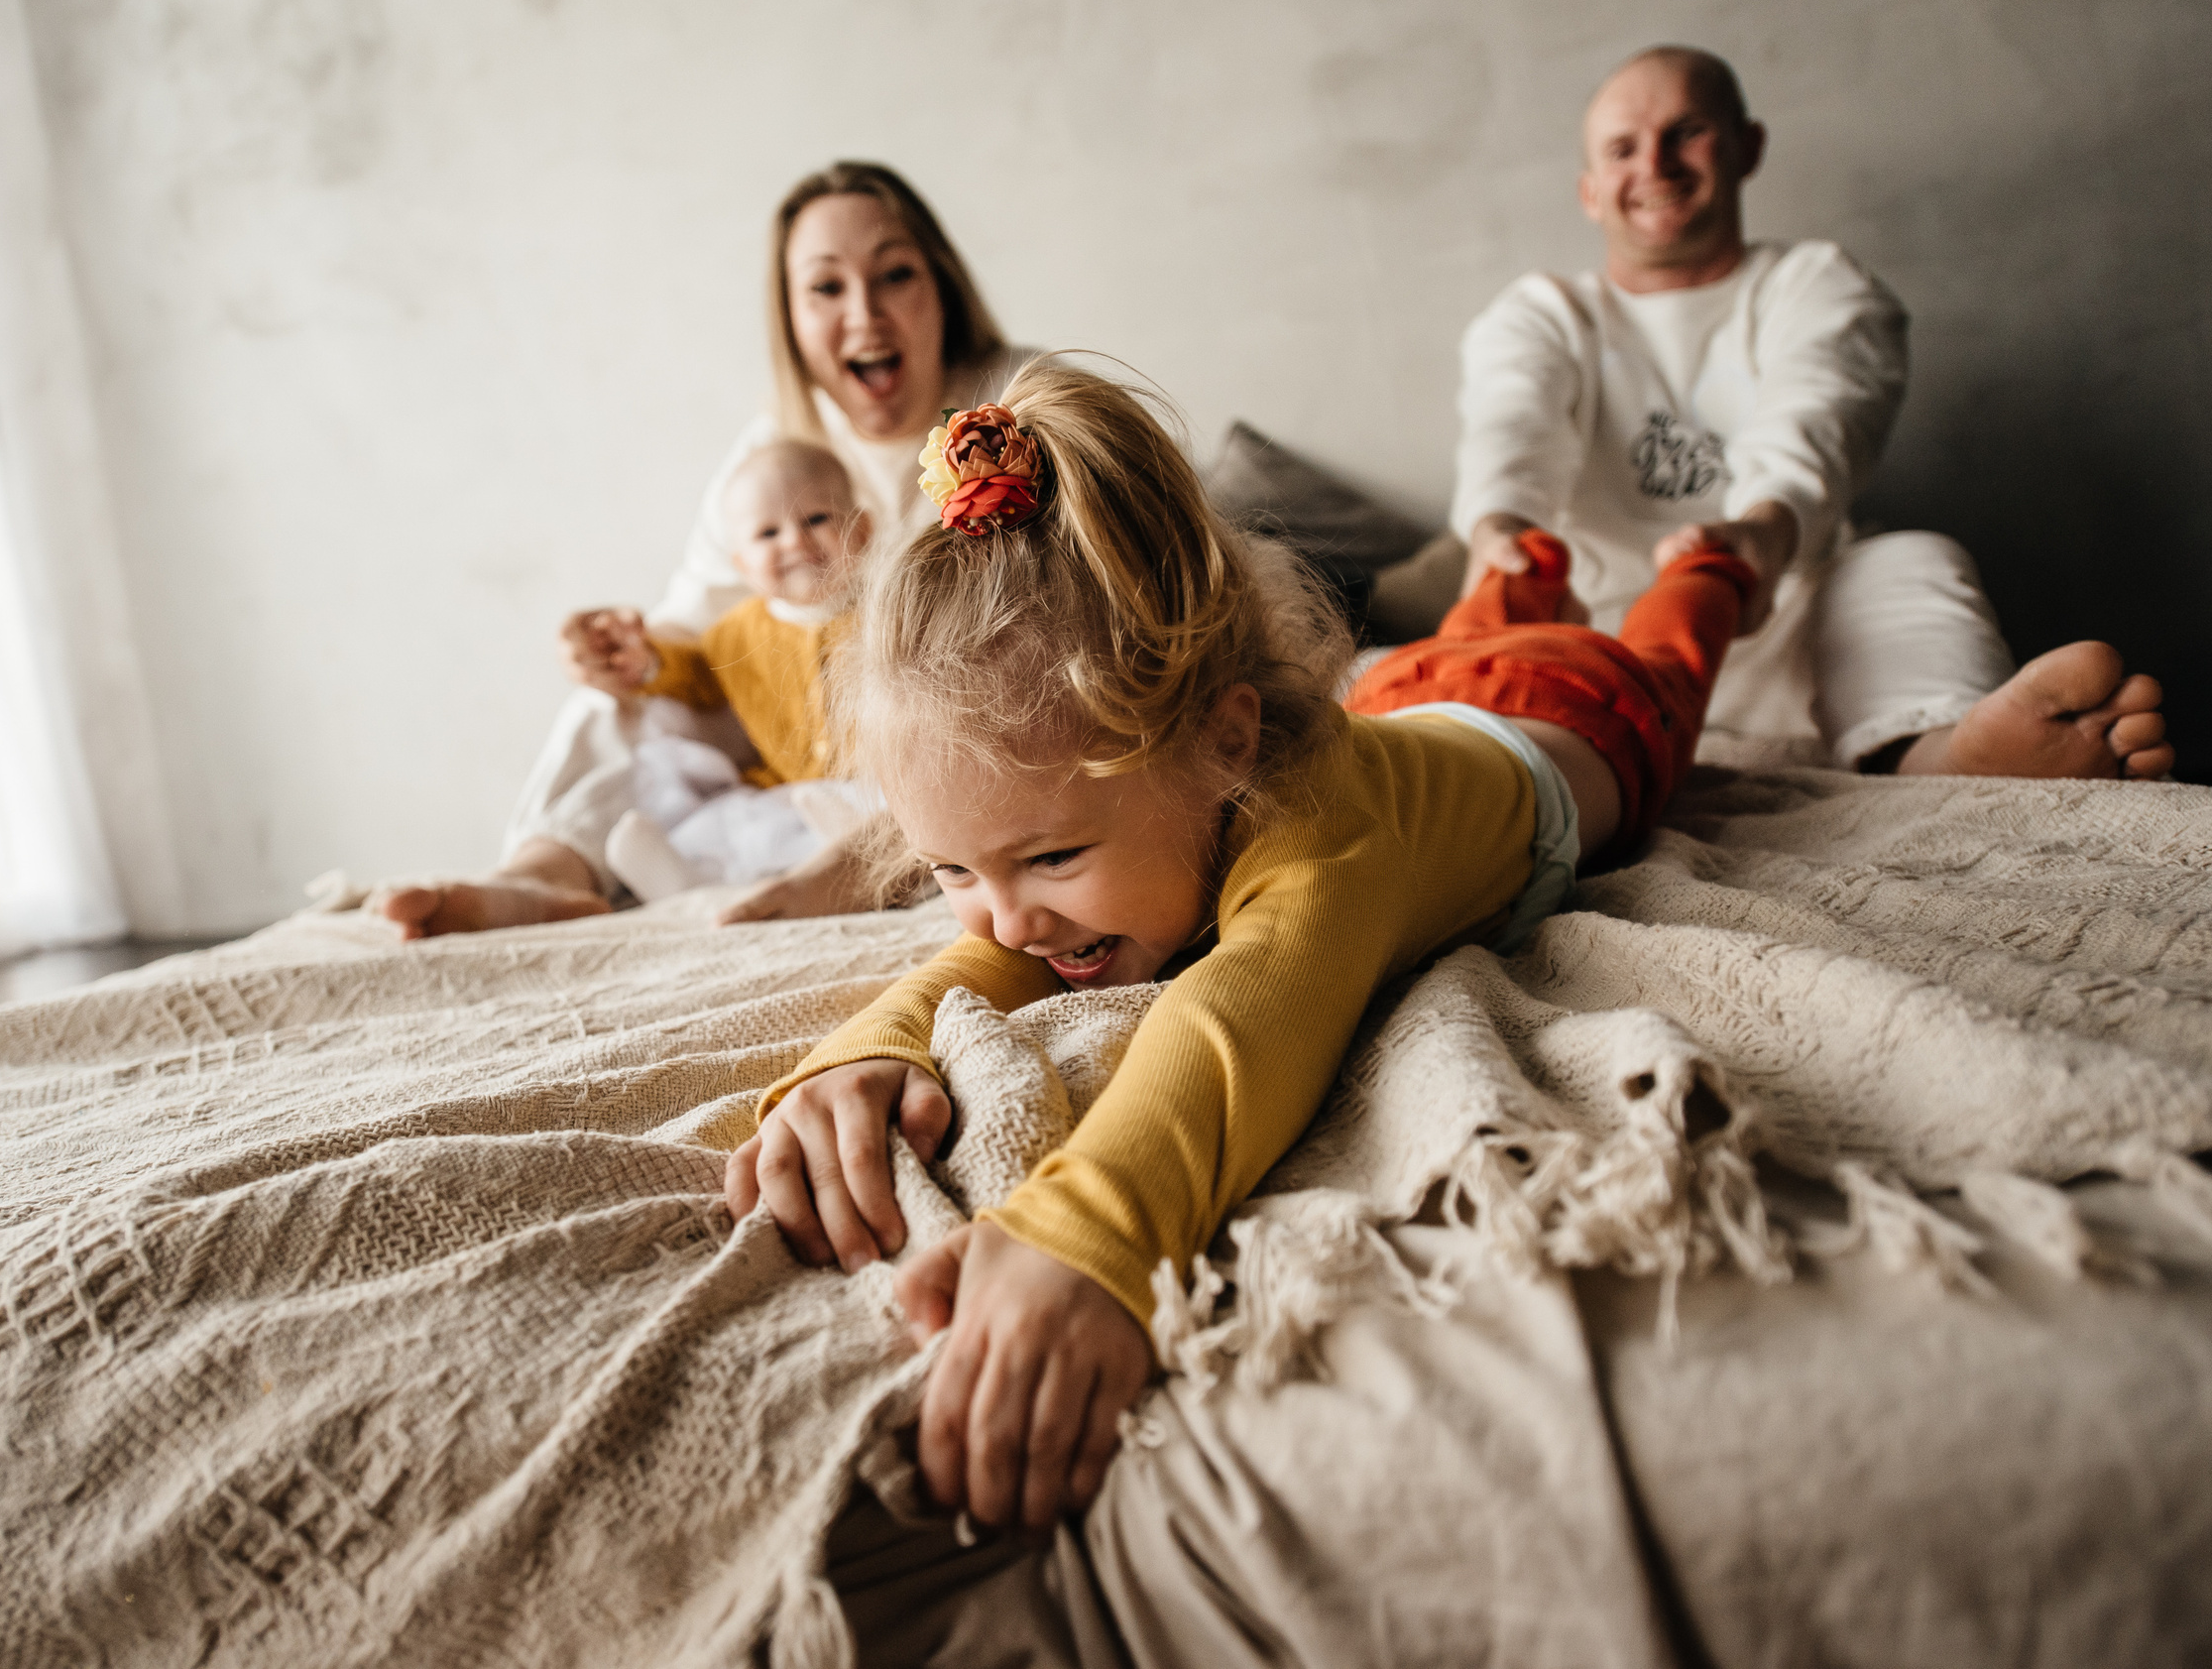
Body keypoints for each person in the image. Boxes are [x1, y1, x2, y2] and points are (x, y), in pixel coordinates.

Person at [724, 361, 1758, 1532]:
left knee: (1671, 651)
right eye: (954, 871)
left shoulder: (1326, 839)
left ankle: (1706, 570)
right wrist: (874, 1045)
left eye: (1050, 857)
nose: (1004, 919)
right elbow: (1019, 949)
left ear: (1227, 744)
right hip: (1405, 689)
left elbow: (1242, 1010)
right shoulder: (1152, 802)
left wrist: (1089, 1236)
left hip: (1580, 709)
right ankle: (1518, 571)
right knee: (1482, 613)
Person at [1454, 45, 2171, 779]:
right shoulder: (1541, 313)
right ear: (1589, 191)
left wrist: (1760, 536)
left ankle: (1941, 751)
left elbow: (1818, 420)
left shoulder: (1817, 284)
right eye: (1622, 149)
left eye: (1686, 132)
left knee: (1912, 558)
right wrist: (1498, 531)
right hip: (1600, 641)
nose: (1656, 165)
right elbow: (1512, 431)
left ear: (1747, 147)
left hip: (1790, 630)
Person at [375, 163, 1032, 940]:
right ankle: (546, 874)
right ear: (791, 316)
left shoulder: (1022, 401)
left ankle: (854, 868)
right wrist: (620, 651)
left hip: (964, 729)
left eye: (895, 276)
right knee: (627, 700)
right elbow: (697, 622)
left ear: (943, 287)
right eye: (826, 288)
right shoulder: (777, 451)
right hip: (813, 747)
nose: (865, 315)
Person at [562, 438, 877, 901]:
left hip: (879, 783)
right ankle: (691, 879)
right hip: (792, 795)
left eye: (816, 519)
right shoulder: (735, 633)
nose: (794, 541)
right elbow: (696, 678)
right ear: (742, 565)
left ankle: (850, 865)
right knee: (735, 819)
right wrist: (646, 662)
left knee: (903, 811)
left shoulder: (890, 606)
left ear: (862, 531)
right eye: (768, 533)